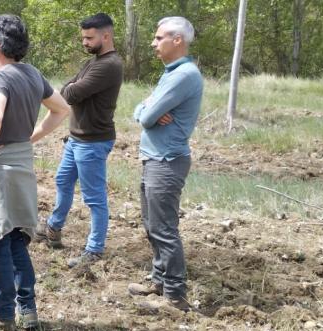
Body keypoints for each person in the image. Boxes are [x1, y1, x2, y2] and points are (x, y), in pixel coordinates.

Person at [0, 14, 72, 331]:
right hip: (22, 164)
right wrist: (28, 138)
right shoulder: (33, 74)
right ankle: (28, 310)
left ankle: (4, 315)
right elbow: (62, 109)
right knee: (15, 242)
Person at [125, 16, 204, 313]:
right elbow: (141, 110)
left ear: (177, 40)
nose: (153, 44)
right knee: (151, 225)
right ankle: (159, 280)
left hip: (167, 161)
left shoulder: (184, 75)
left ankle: (175, 295)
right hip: (154, 158)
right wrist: (148, 109)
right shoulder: (171, 73)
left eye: (159, 38)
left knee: (164, 229)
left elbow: (146, 117)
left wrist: (149, 111)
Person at [39, 13, 124, 269]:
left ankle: (95, 250)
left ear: (105, 36)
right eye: (83, 37)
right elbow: (69, 86)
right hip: (77, 139)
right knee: (62, 181)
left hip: (93, 142)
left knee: (94, 198)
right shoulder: (95, 61)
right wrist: (70, 88)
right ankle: (53, 228)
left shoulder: (109, 65)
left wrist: (71, 89)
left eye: (89, 37)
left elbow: (71, 93)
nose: (84, 42)